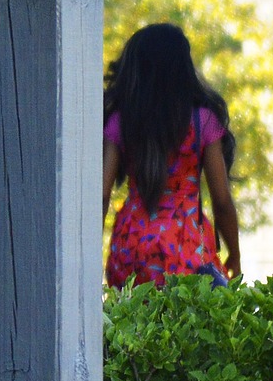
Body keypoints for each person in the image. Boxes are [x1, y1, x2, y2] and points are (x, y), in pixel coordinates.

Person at [101, 23, 242, 288]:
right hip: (185, 246)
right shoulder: (203, 121)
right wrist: (234, 252)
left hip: (131, 246)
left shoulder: (122, 120)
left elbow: (103, 193)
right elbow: (221, 201)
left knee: (134, 325)